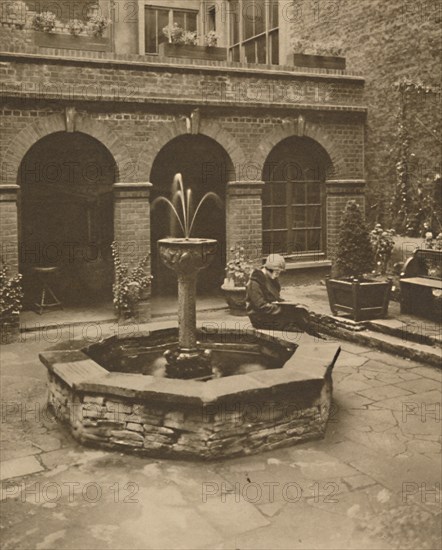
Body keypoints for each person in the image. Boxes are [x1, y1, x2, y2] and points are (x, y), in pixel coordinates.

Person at [246, 254, 321, 337]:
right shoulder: (255, 282)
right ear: (269, 269)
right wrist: (282, 309)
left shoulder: (271, 278)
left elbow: (275, 298)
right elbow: (261, 306)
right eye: (277, 272)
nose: (278, 274)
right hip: (261, 318)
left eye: (279, 272)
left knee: (300, 313)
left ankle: (315, 337)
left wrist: (288, 304)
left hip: (271, 313)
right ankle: (306, 340)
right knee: (292, 324)